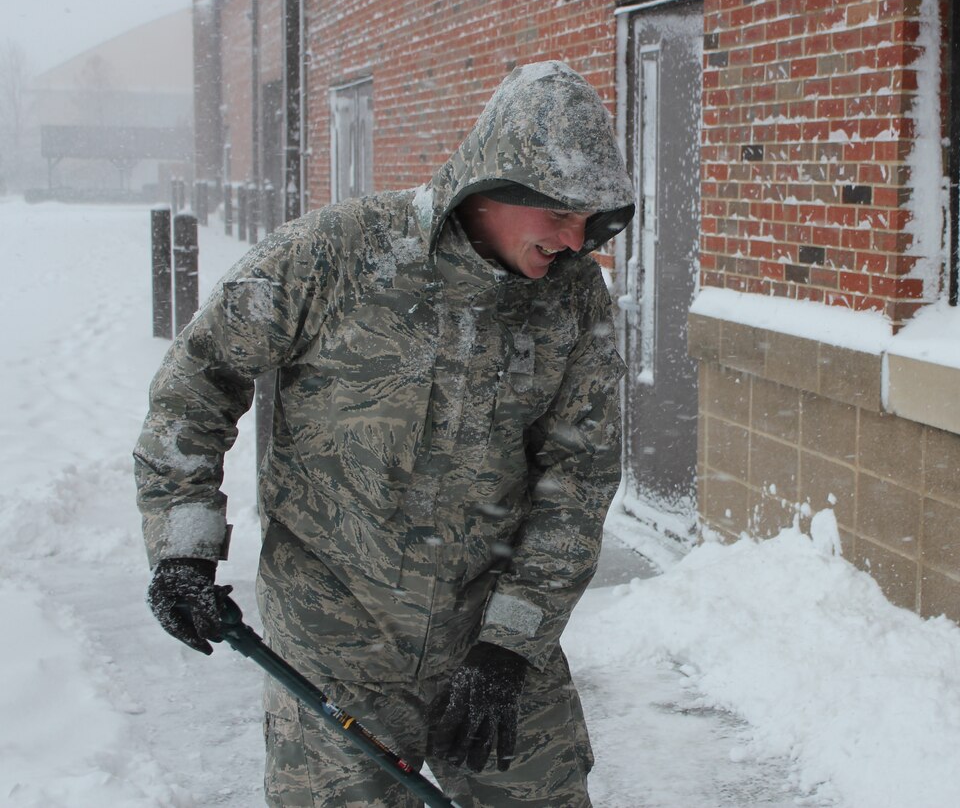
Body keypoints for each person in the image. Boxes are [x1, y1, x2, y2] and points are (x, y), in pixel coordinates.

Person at [135, 60, 635, 807]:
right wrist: (183, 547)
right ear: (494, 185)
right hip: (334, 641)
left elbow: (578, 476)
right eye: (561, 213)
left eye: (592, 220)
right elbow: (196, 384)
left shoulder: (571, 301)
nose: (576, 239)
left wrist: (509, 644)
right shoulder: (333, 256)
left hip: (489, 638)